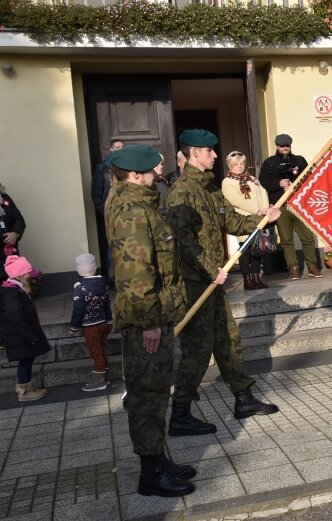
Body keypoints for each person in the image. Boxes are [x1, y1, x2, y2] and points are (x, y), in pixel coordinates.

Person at [167, 129, 282, 436]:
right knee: (197, 350)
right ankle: (180, 414)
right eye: (210, 151)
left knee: (228, 340)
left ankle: (243, 398)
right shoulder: (182, 191)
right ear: (194, 153)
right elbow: (183, 239)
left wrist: (263, 220)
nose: (215, 155)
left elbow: (230, 220)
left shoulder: (208, 188)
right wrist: (208, 269)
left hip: (213, 280)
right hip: (195, 283)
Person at [105, 144, 196, 497]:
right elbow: (135, 273)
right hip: (147, 319)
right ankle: (151, 474)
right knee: (147, 396)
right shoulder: (132, 212)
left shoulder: (141, 205)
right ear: (136, 174)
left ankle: (158, 461)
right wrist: (149, 324)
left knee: (155, 393)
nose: (160, 174)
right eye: (154, 170)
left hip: (157, 312)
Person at [259, 134, 322, 280]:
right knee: (286, 239)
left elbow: (310, 179)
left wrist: (295, 186)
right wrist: (279, 184)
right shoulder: (269, 162)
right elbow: (263, 181)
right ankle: (293, 268)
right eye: (282, 145)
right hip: (280, 206)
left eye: (287, 145)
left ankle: (312, 266)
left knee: (307, 237)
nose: (285, 148)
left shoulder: (299, 160)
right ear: (277, 146)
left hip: (300, 205)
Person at [0, 255, 51, 401]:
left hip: (20, 334)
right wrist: (31, 336)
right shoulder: (11, 293)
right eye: (27, 272)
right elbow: (16, 317)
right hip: (19, 335)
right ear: (20, 275)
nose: (30, 275)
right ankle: (24, 391)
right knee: (25, 360)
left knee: (27, 359)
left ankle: (27, 388)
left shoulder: (15, 289)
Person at [221, 150, 273, 290]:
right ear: (230, 166)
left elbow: (262, 191)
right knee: (245, 250)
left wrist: (264, 208)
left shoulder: (251, 179)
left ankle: (256, 278)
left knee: (258, 249)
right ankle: (247, 280)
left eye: (242, 163)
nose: (240, 166)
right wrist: (257, 210)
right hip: (243, 220)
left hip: (258, 218)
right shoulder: (227, 182)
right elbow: (236, 200)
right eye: (236, 164)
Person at [69, 253, 113, 392]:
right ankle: (105, 375)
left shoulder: (79, 287)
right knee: (102, 349)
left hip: (90, 327)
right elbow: (107, 304)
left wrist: (73, 327)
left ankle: (99, 381)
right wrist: (109, 321)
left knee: (96, 352)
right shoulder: (103, 284)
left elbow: (79, 309)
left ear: (78, 269)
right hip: (104, 323)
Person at [91, 138, 124, 284]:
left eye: (122, 147)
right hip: (109, 215)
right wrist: (104, 212)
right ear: (111, 149)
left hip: (124, 214)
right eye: (117, 147)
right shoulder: (101, 168)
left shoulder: (126, 166)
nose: (120, 149)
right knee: (112, 248)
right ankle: (112, 280)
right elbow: (96, 195)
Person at [0, 181, 26, 281]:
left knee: (13, 289)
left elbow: (19, 219)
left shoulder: (5, 198)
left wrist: (15, 233)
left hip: (10, 255)